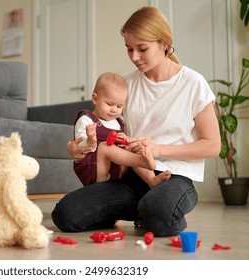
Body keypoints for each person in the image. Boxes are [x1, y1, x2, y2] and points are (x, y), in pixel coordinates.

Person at [52, 6, 220, 237]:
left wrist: (157, 149)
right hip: (133, 175)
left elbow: (212, 145)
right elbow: (101, 125)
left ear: (164, 43)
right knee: (66, 215)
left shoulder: (193, 83)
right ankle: (141, 208)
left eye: (142, 49)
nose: (134, 57)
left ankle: (153, 208)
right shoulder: (127, 85)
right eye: (129, 49)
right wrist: (78, 146)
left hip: (175, 177)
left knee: (158, 213)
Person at [73, 72, 171, 188]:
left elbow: (124, 146)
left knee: (133, 147)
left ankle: (152, 180)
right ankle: (141, 161)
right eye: (110, 104)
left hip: (116, 171)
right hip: (94, 171)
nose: (114, 110)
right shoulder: (86, 120)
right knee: (105, 146)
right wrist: (89, 140)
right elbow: (79, 147)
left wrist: (127, 141)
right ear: (95, 99)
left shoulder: (119, 121)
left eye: (119, 106)